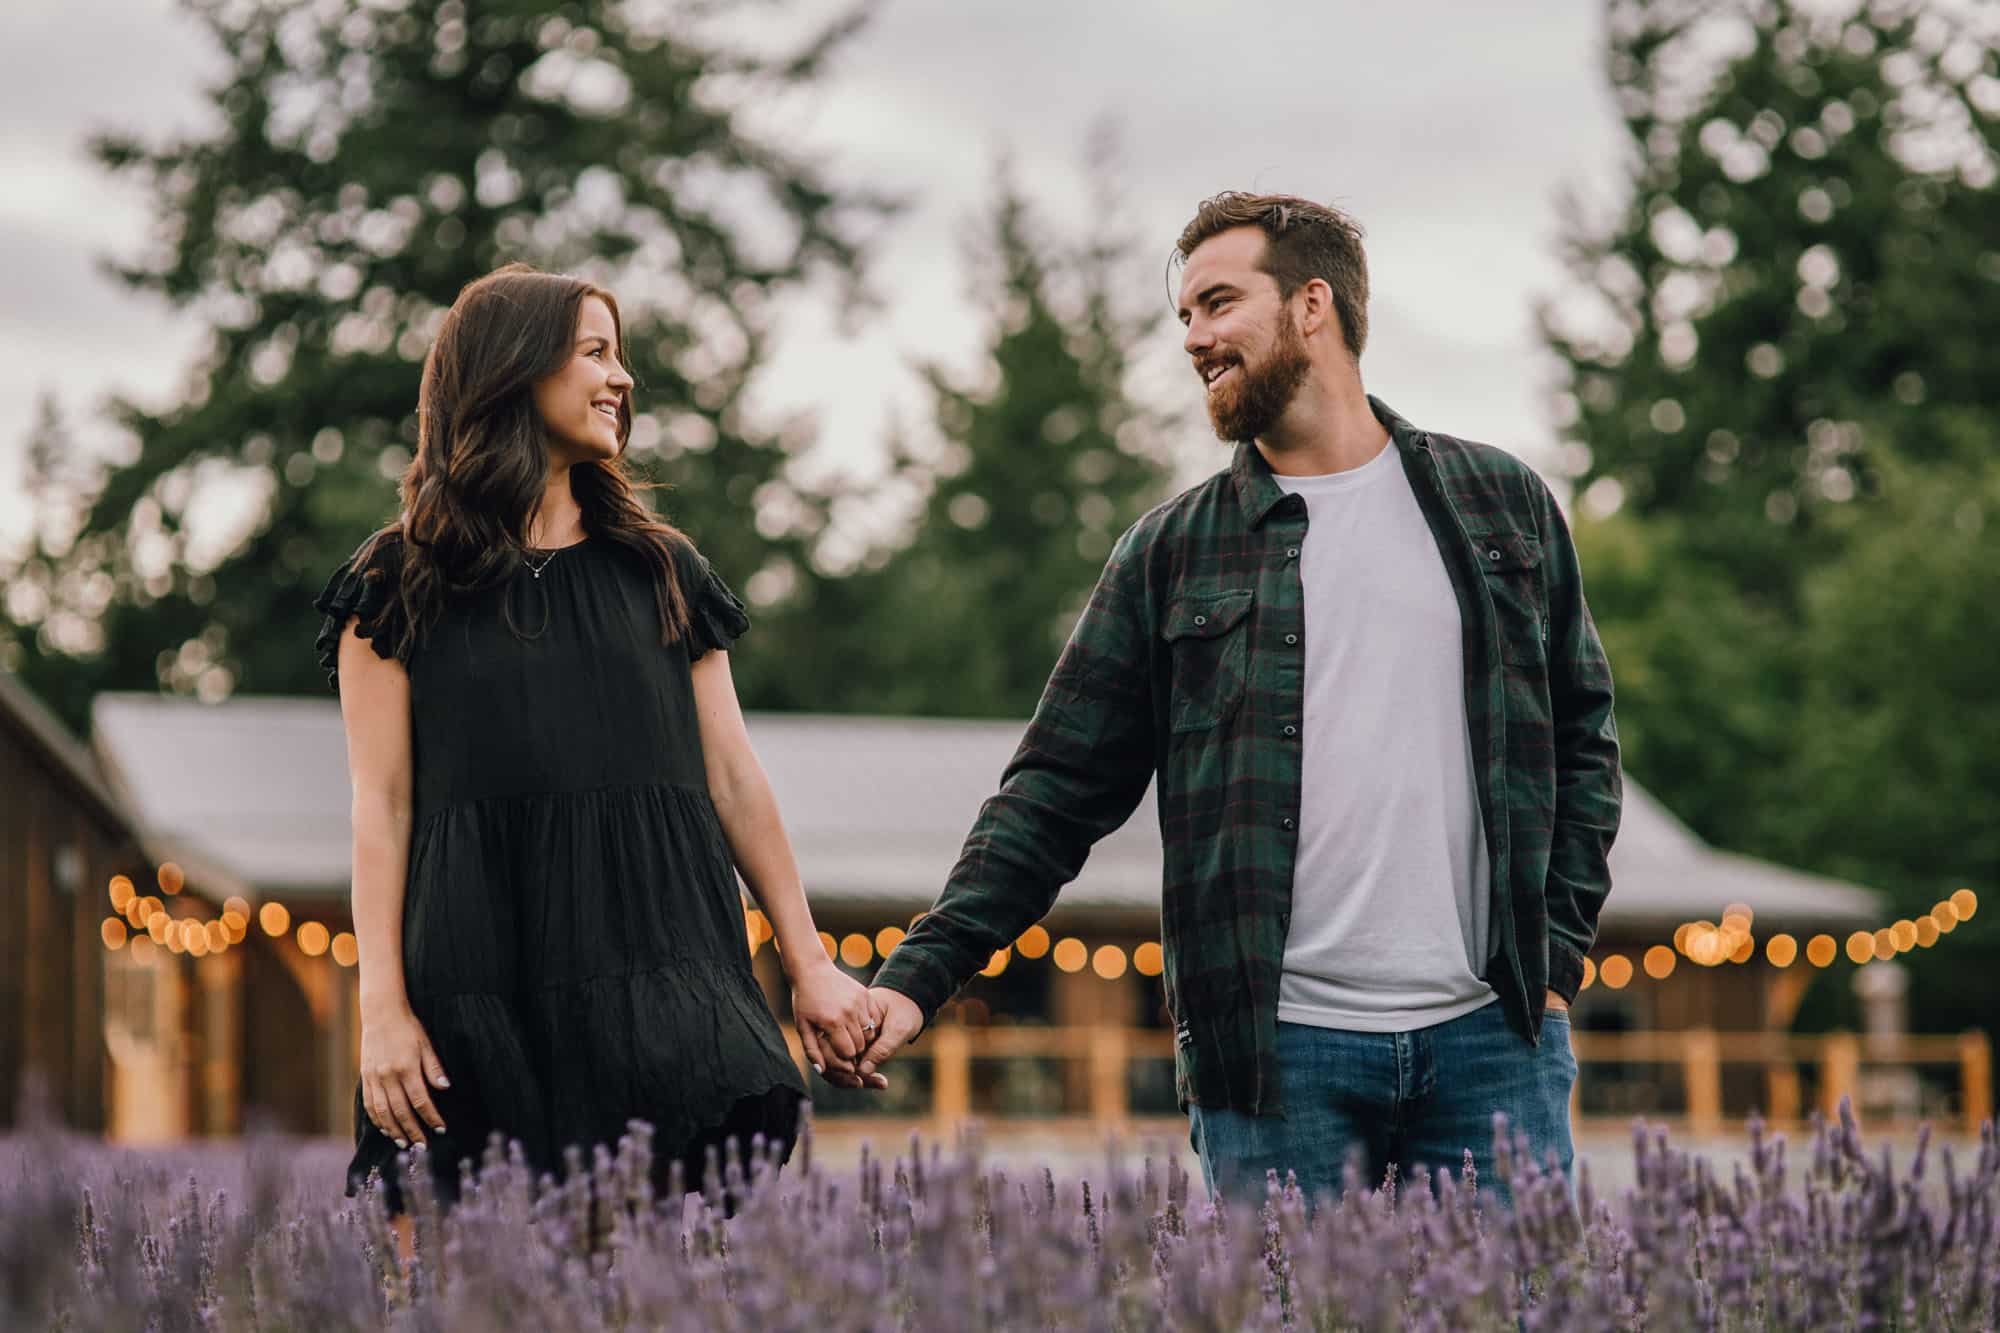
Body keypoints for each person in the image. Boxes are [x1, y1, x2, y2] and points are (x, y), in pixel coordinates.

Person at [844, 193, 1621, 1209]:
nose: (1195, 338)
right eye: (1184, 319)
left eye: (1216, 303)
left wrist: (1554, 965)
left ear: (1311, 305)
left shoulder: (1500, 505)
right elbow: (1052, 791)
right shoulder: (1169, 553)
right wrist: (915, 976)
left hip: (1492, 1040)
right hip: (1272, 1058)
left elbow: (1583, 744)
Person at [316, 263, 878, 1220]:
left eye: (621, 357)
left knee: (653, 1263)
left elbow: (733, 777)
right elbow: (384, 803)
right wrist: (382, 1010)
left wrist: (810, 960)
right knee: (473, 1279)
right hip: (478, 972)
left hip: (655, 958)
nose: (622, 379)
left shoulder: (661, 569)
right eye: (595, 353)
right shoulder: (399, 579)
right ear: (513, 372)